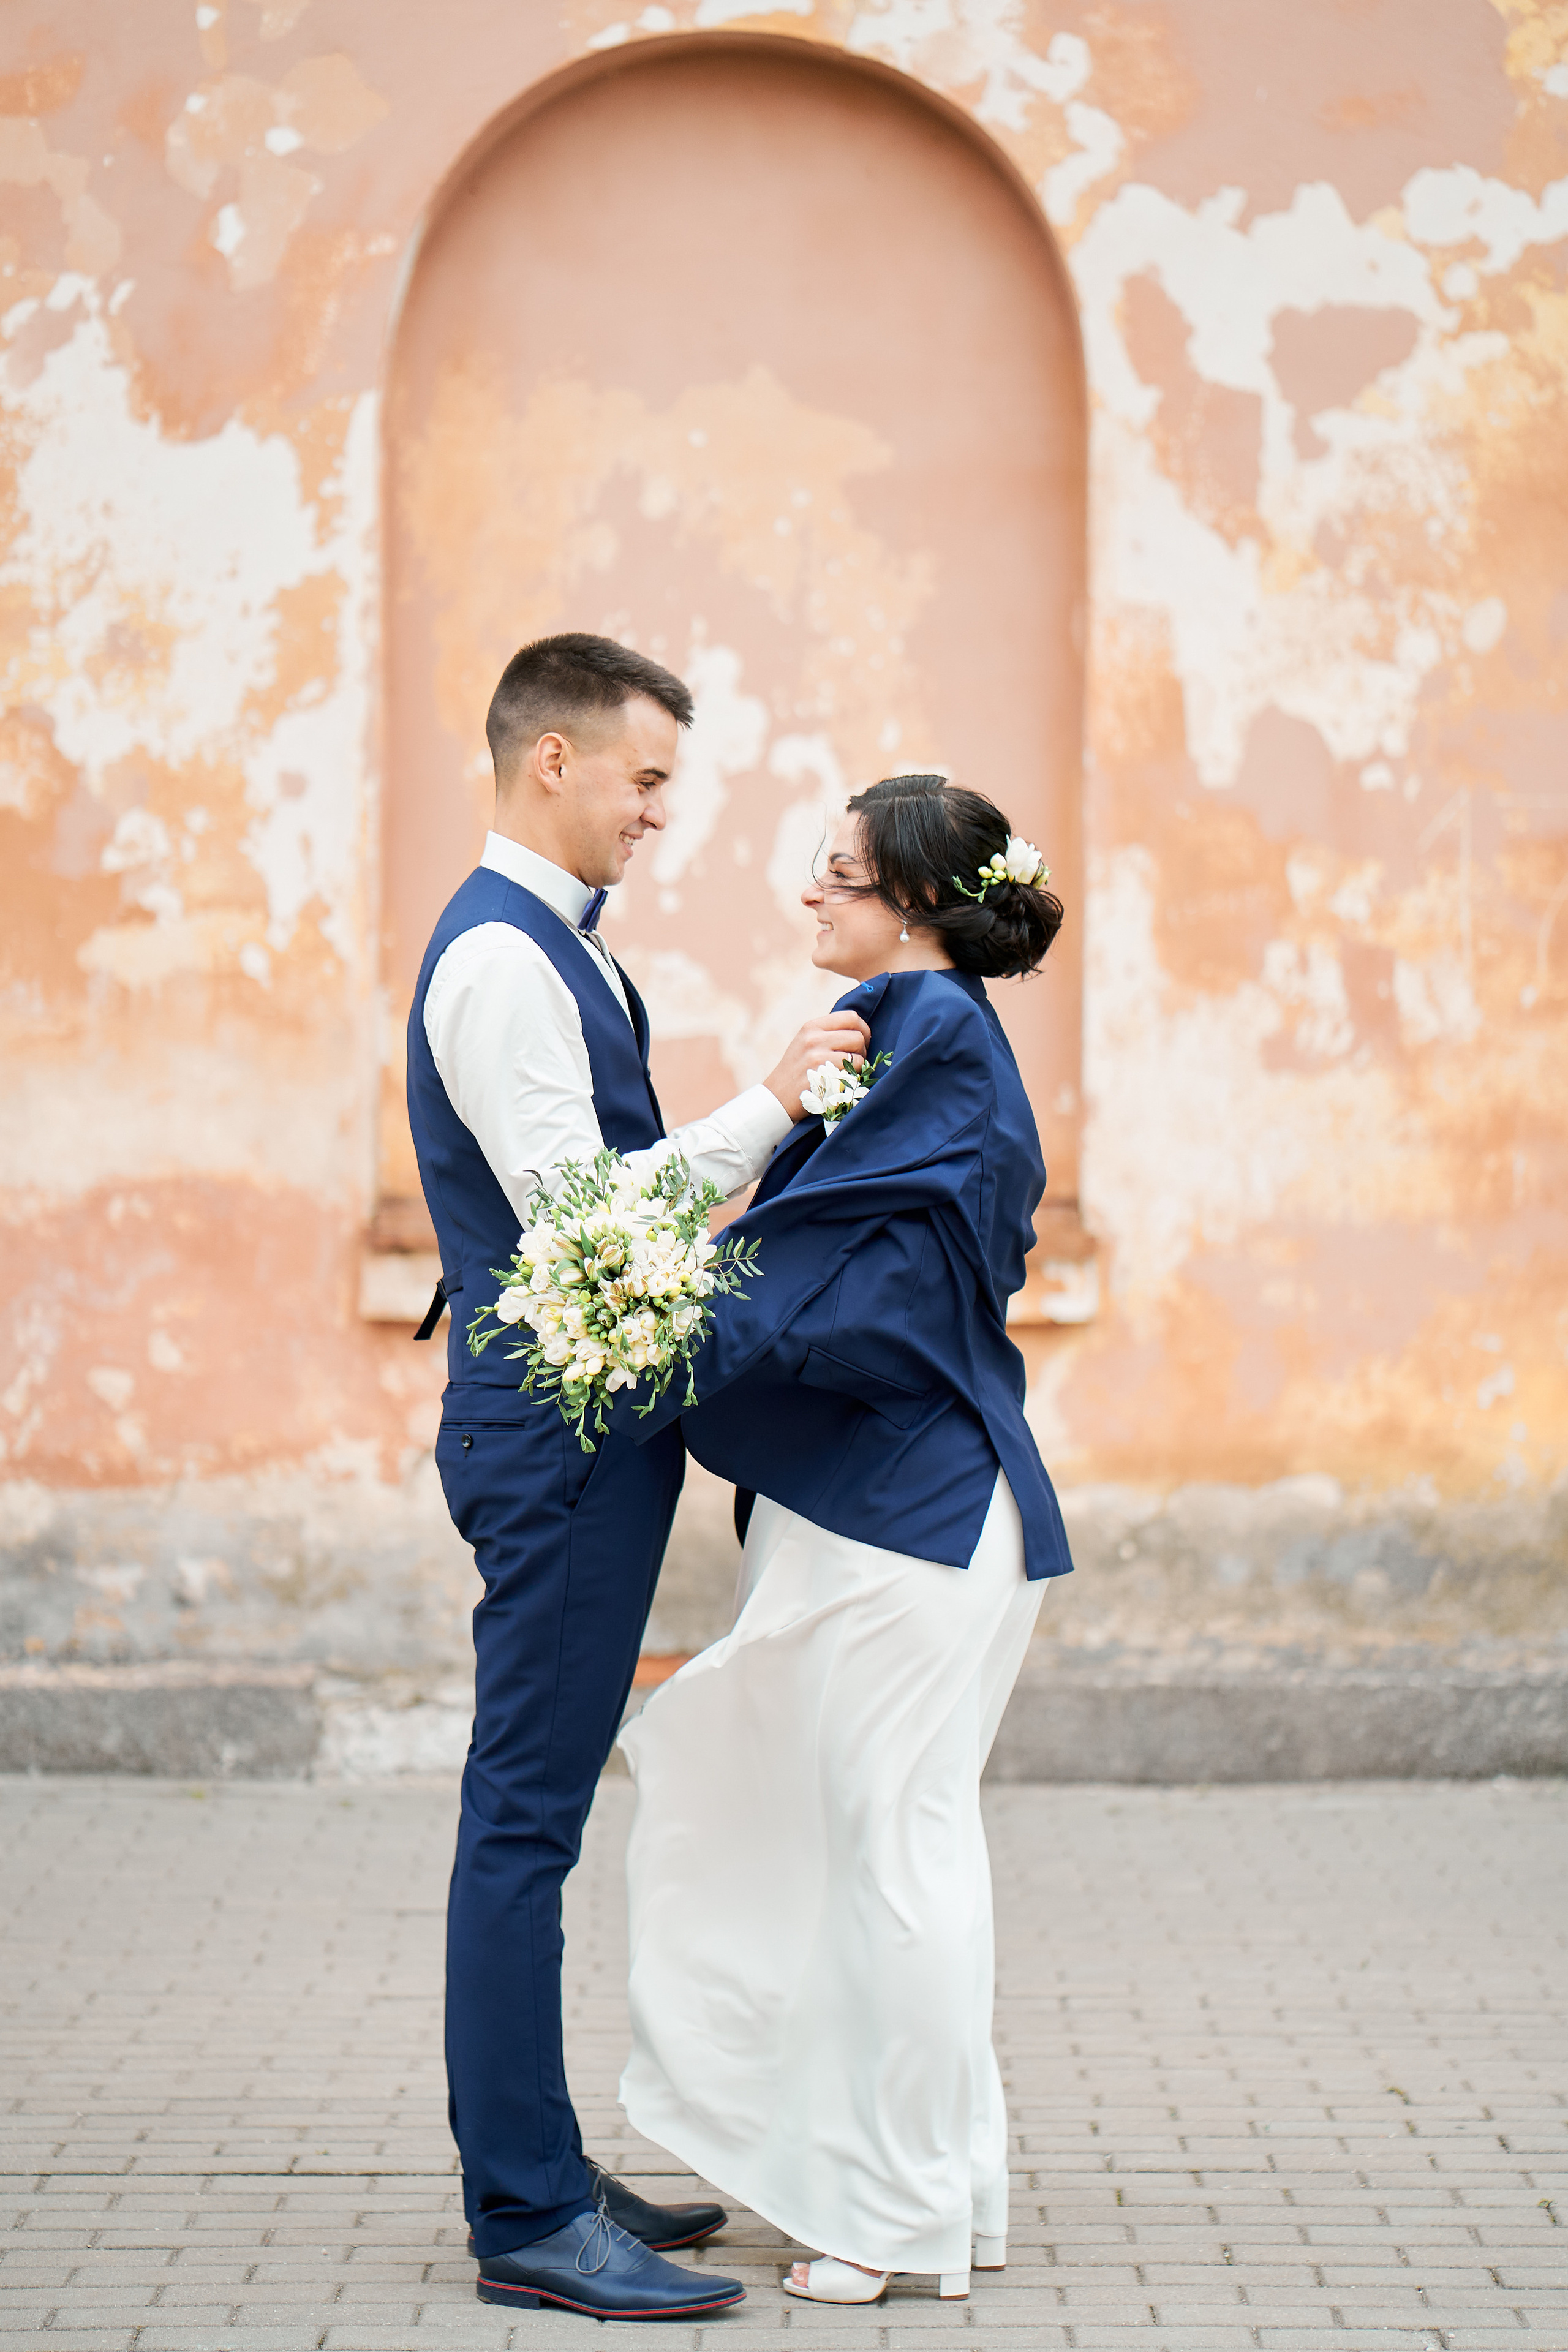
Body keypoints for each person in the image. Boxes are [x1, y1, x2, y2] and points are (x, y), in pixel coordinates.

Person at [404, 631, 870, 2320]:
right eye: (647, 778)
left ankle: (536, 2150)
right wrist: (765, 1109)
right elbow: (587, 1220)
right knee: (524, 1814)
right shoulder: (502, 966)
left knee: (536, 1807)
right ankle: (526, 2212)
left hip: (588, 1431)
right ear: (555, 763)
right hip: (554, 1439)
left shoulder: (563, 955)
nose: (660, 812)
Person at [616, 772, 1075, 2307]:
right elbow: (851, 1248)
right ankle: (948, 2200)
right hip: (900, 1513)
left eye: (837, 875)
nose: (809, 897)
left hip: (911, 1517)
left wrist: (638, 1320)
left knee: (892, 1858)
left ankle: (889, 2218)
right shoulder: (920, 1039)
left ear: (917, 906)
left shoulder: (924, 1030)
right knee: (905, 1851)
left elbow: (824, 1275)